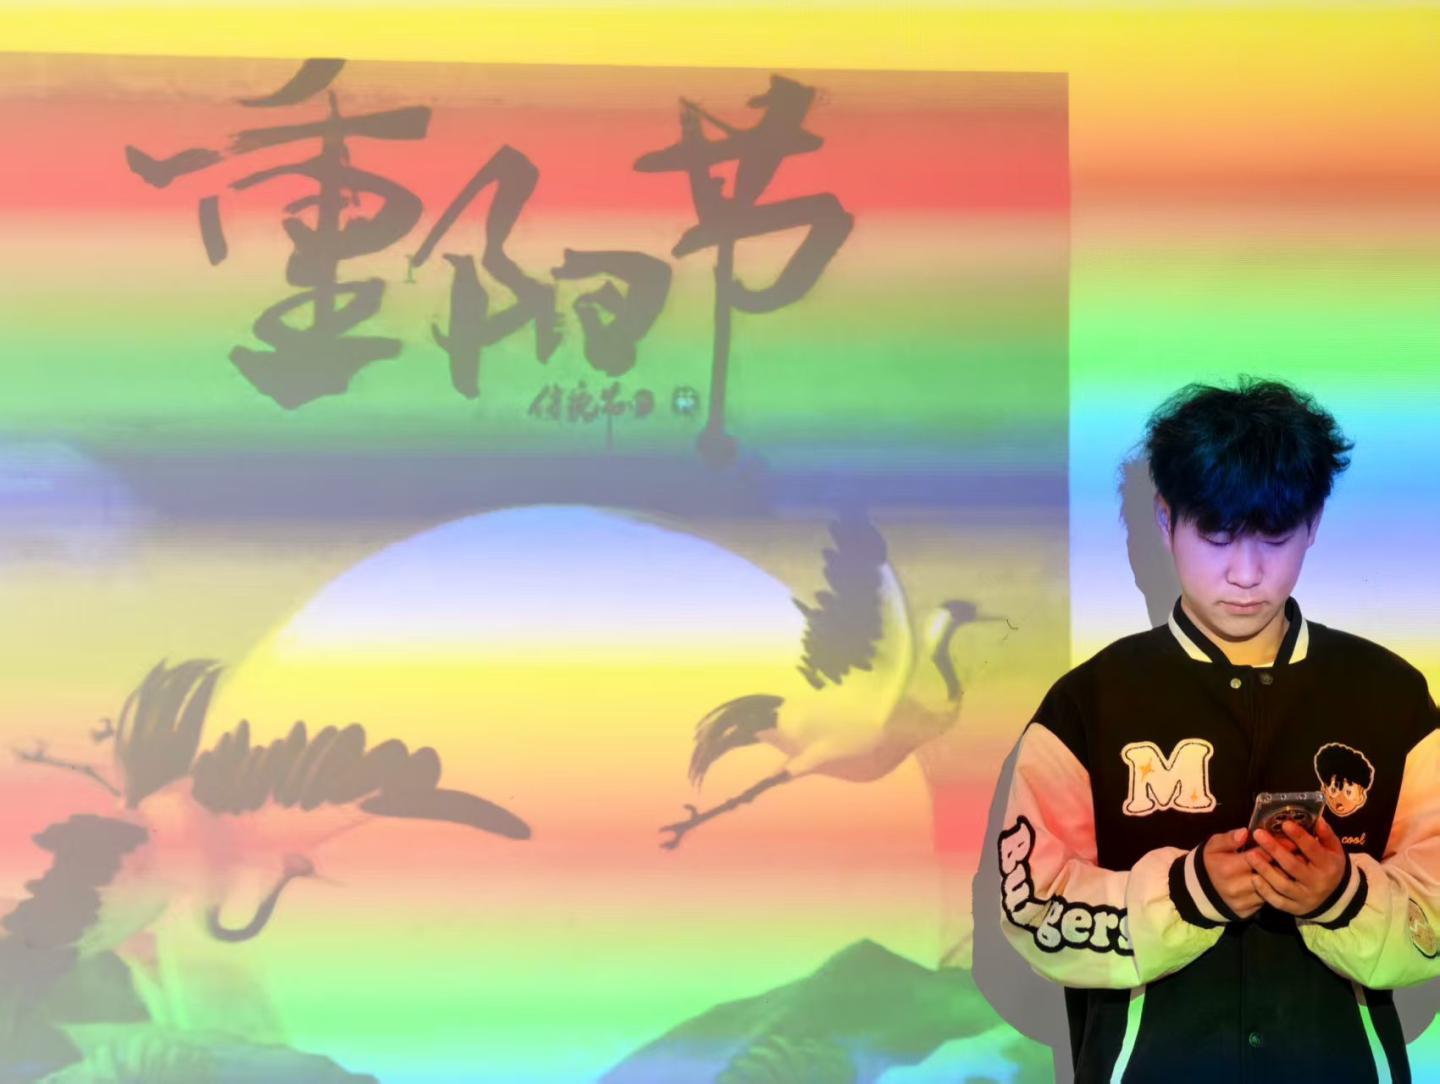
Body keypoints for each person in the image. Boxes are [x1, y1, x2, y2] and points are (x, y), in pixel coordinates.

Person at [995, 378, 1440, 1081]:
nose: (1246, 572)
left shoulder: (1392, 698)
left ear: (1313, 523)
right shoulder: (1088, 704)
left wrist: (1341, 898)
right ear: (1165, 518)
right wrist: (1186, 894)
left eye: (1275, 536)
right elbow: (1031, 907)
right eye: (1217, 534)